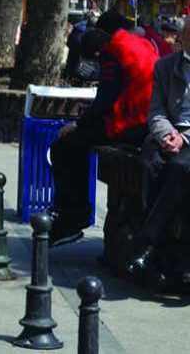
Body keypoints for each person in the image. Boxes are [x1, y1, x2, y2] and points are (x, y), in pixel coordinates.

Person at [49, 15, 159, 247]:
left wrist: (78, 124)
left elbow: (106, 98)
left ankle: (73, 215)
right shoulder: (141, 43)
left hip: (129, 123)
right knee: (79, 140)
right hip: (148, 120)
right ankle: (74, 212)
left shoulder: (112, 50)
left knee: (65, 146)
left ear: (97, 50)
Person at [127, 19, 190, 279]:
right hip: (167, 131)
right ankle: (156, 246)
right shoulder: (165, 67)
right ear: (183, 38)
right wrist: (167, 135)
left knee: (179, 169)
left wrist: (184, 139)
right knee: (148, 164)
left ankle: (148, 244)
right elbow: (156, 110)